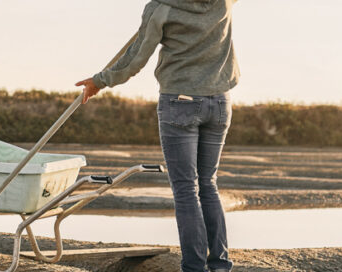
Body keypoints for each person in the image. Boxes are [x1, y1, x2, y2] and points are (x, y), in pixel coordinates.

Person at [76, 0, 239, 271]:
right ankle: (220, 266)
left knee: (187, 189)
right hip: (220, 102)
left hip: (180, 101)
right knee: (208, 184)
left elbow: (136, 58)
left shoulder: (160, 7)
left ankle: (195, 268)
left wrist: (100, 80)